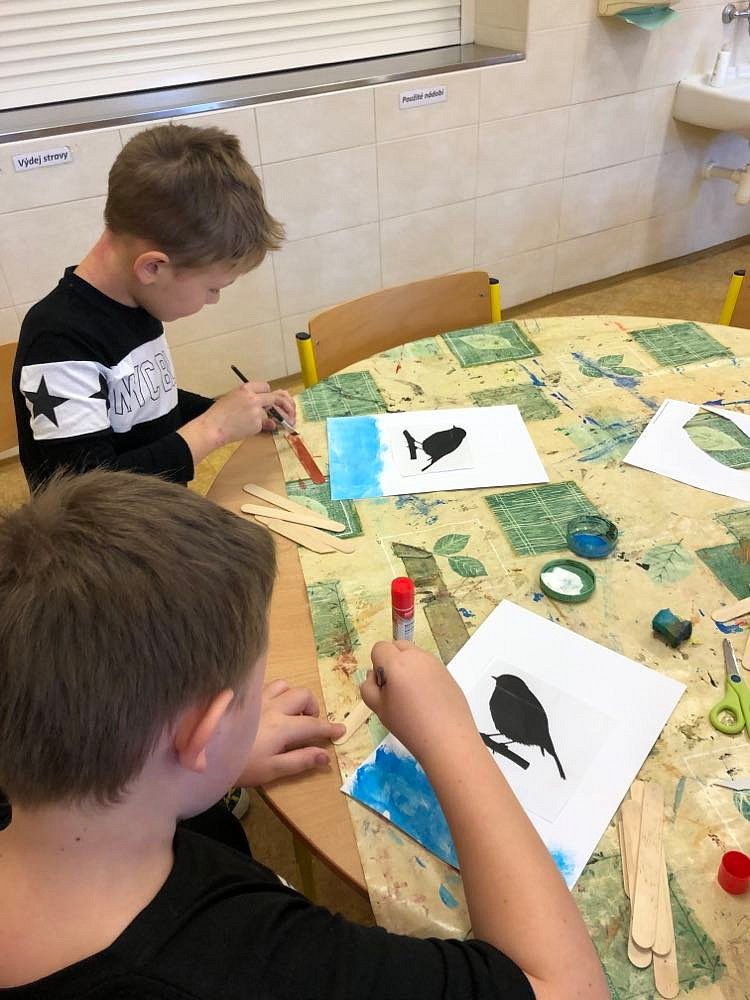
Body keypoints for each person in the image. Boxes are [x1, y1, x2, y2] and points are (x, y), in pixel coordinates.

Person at [0, 470, 609, 999]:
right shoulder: (257, 964)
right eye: (252, 686)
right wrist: (451, 736)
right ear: (201, 734)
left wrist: (207, 762)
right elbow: (569, 988)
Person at [12, 123, 295, 490]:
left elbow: (146, 405)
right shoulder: (58, 343)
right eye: (212, 288)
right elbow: (87, 493)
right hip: (104, 525)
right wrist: (215, 428)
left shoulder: (134, 301)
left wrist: (227, 410)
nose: (214, 300)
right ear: (152, 268)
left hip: (155, 507)